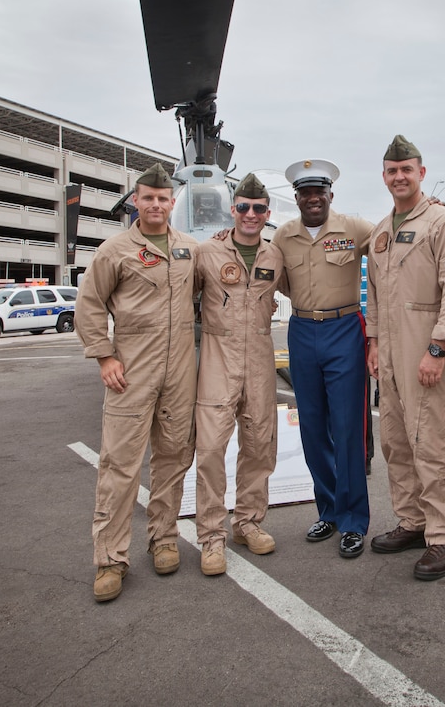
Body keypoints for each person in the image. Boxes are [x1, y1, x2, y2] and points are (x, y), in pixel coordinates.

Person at [76, 163, 199, 602]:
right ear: (136, 201)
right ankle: (110, 558)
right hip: (131, 368)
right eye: (148, 197)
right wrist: (104, 356)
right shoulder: (115, 250)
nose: (156, 205)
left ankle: (164, 538)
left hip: (180, 367)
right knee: (120, 463)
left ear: (172, 203)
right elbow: (89, 305)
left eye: (163, 199)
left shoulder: (189, 248)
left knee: (172, 457)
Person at [366, 135, 445, 581]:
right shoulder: (379, 232)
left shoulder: (443, 224)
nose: (399, 177)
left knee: (433, 442)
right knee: (395, 441)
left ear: (421, 173)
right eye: (392, 171)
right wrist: (373, 343)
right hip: (389, 356)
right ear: (384, 176)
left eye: (406, 169)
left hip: (427, 352)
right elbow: (374, 295)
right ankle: (413, 522)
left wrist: (439, 347)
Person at [272, 159, 372, 559]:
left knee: (347, 427)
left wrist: (429, 208)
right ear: (296, 198)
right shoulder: (283, 235)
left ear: (331, 195)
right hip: (301, 330)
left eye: (320, 192)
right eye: (305, 193)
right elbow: (274, 277)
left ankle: (353, 521)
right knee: (312, 427)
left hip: (344, 328)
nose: (313, 199)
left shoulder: (355, 228)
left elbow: (394, 237)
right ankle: (328, 510)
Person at [193, 173, 284, 575]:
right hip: (218, 358)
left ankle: (248, 522)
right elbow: (179, 300)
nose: (251, 214)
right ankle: (211, 537)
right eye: (244, 207)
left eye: (259, 208)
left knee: (260, 446)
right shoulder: (206, 253)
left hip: (261, 360)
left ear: (267, 213)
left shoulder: (275, 255)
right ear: (233, 210)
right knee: (211, 449)